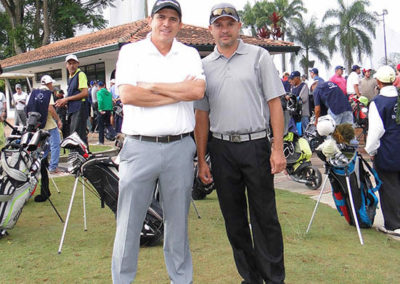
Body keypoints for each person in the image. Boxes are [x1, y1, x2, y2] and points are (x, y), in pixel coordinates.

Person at [111, 0, 206, 283]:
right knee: (129, 222)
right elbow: (128, 95)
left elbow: (197, 89)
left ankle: (180, 278)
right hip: (139, 147)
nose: (167, 23)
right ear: (150, 20)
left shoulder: (188, 54)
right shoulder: (131, 52)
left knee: (178, 224)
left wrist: (151, 86)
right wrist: (179, 92)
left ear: (179, 24)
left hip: (179, 147)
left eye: (173, 18)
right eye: (161, 17)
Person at [194, 3, 286, 283]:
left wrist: (278, 148)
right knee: (234, 221)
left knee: (265, 217)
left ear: (238, 26)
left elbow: (274, 103)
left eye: (229, 24)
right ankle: (250, 277)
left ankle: (273, 279)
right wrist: (201, 159)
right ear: (211, 30)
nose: (224, 29)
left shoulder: (259, 56)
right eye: (219, 25)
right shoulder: (204, 66)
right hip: (221, 150)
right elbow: (201, 115)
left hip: (256, 145)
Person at [365, 65, 400, 237]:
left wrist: (370, 150)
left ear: (378, 82)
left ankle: (394, 225)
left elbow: (376, 131)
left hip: (388, 151)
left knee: (389, 188)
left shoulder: (378, 103)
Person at [26, 75, 63, 202]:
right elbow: (50, 108)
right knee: (55, 144)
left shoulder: (35, 92)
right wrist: (58, 119)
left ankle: (46, 165)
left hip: (38, 126)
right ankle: (53, 166)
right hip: (49, 125)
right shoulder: (47, 93)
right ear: (48, 84)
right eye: (51, 83)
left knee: (42, 151)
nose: (52, 85)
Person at [55, 54, 89, 145]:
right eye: (69, 63)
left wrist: (66, 99)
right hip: (72, 109)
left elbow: (85, 93)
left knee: (76, 135)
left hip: (79, 108)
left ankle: (79, 156)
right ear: (66, 65)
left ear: (78, 64)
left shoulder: (80, 74)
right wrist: (65, 102)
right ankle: (84, 156)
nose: (72, 66)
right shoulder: (70, 77)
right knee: (78, 135)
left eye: (74, 63)